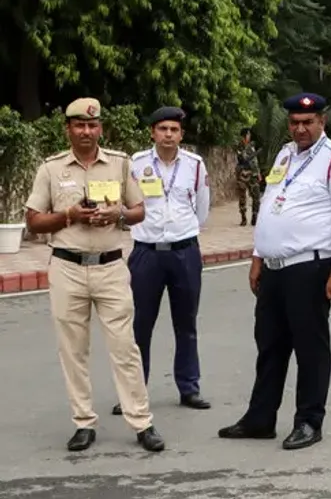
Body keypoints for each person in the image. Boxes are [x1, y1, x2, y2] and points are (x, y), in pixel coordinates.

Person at [218, 92, 331, 451]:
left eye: (308, 122)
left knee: (310, 347)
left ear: (321, 122)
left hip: (310, 267)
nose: (300, 129)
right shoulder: (285, 153)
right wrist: (257, 256)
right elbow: (270, 204)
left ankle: (309, 421)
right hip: (274, 269)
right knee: (269, 345)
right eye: (295, 123)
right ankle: (260, 418)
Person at [24, 98, 165, 452]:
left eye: (92, 125)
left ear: (100, 127)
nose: (86, 131)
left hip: (110, 268)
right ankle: (83, 422)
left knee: (125, 348)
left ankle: (142, 422)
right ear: (68, 129)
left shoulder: (119, 164)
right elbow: (33, 220)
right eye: (79, 126)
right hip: (67, 267)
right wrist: (70, 215)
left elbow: (138, 211)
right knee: (73, 350)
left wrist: (116, 215)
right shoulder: (52, 168)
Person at [111, 107, 211, 418]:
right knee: (139, 325)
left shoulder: (195, 165)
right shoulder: (136, 164)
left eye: (174, 130)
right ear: (153, 132)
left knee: (187, 323)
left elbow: (202, 208)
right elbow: (126, 204)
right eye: (163, 129)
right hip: (146, 253)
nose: (168, 134)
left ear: (182, 134)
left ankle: (189, 387)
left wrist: (185, 232)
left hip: (185, 252)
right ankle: (134, 392)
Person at [236, 128, 261, 226]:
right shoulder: (240, 146)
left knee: (256, 196)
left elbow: (255, 161)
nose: (249, 136)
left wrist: (258, 173)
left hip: (253, 174)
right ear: (244, 135)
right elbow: (243, 158)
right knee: (242, 196)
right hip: (243, 173)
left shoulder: (251, 146)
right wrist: (255, 153)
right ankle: (243, 218)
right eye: (248, 134)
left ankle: (254, 217)